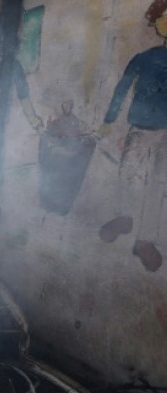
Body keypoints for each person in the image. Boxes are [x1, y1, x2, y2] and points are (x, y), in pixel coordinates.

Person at [99, 4, 167, 272]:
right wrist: (108, 120)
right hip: (140, 127)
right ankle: (123, 217)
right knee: (128, 174)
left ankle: (145, 240)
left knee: (158, 185)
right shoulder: (145, 57)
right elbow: (122, 87)